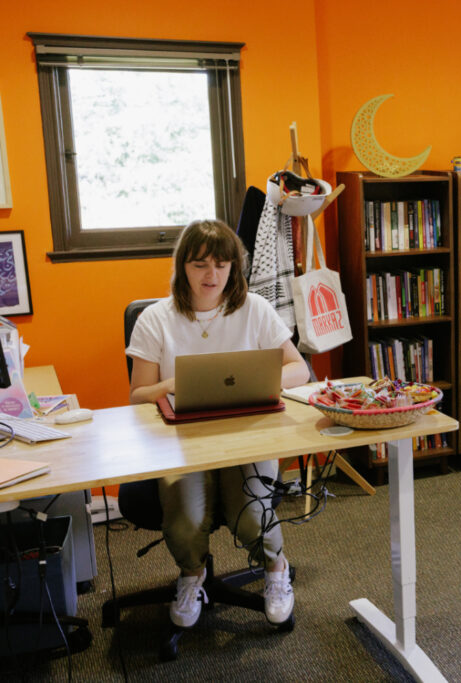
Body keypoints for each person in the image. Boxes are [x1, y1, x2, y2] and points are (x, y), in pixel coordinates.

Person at [125, 219, 310, 629]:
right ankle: (192, 574)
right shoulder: (156, 319)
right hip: (181, 442)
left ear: (234, 268)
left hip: (245, 438)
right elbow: (137, 396)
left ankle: (276, 569)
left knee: (250, 517)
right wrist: (172, 384)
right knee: (186, 520)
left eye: (223, 265)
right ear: (182, 267)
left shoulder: (254, 310)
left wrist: (260, 381)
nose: (213, 276)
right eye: (200, 265)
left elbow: (301, 370)